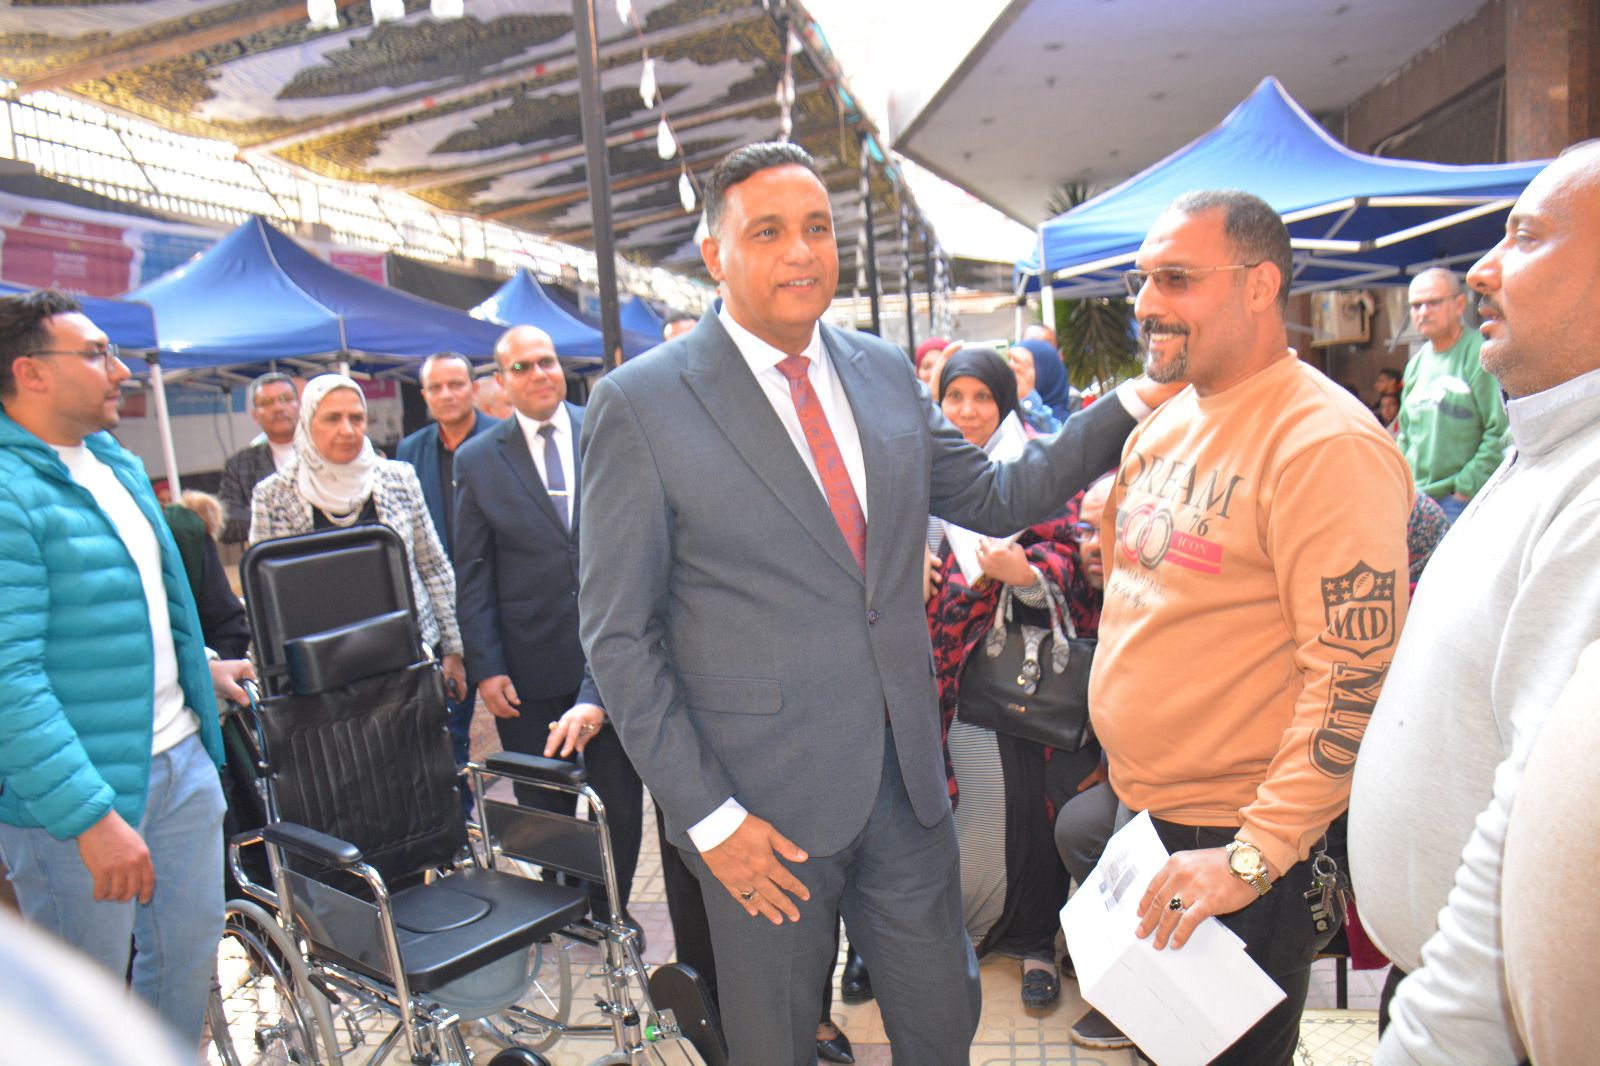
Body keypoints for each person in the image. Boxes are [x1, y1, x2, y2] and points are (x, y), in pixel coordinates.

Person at [577, 141, 1169, 1065]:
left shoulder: (883, 371)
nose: (801, 251)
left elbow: (998, 497)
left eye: (817, 228)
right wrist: (711, 820)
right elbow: (620, 638)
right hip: (761, 812)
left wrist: (1135, 400)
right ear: (715, 254)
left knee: (941, 1027)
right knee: (775, 1044)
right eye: (768, 232)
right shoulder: (642, 405)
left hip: (907, 788)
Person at [1082, 189, 1412, 1063]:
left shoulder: (1324, 444)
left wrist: (1253, 856)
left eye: (1177, 279)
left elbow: (1353, 676)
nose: (1147, 302)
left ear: (1260, 285)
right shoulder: (1165, 422)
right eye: (1143, 280)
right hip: (1148, 821)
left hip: (1238, 847)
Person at [1348, 140, 1600, 1066]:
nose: (1483, 272)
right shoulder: (1552, 442)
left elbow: (1536, 828)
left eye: (1526, 238)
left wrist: (1426, 1045)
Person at [0, 289, 254, 1046]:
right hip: (80, 798)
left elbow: (138, 607)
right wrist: (88, 817)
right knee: (85, 1008)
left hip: (180, 763)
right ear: (30, 372)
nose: (120, 370)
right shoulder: (10, 493)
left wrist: (195, 670)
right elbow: (10, 677)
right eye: (96, 354)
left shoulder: (113, 462)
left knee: (184, 967)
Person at [925, 346, 1102, 1010]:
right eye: (955, 397)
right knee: (953, 810)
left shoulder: (1035, 471)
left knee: (1028, 809)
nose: (968, 411)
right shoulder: (912, 471)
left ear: (1005, 404)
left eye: (983, 398)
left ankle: (1033, 942)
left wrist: (1024, 575)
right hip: (931, 682)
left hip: (1015, 685)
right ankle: (958, 933)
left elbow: (1075, 561)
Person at [453, 325, 644, 918]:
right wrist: (487, 668)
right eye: (523, 367)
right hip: (527, 672)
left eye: (547, 361)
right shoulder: (478, 460)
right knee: (545, 806)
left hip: (611, 659)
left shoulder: (607, 429)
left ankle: (611, 913)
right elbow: (473, 573)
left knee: (620, 803)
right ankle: (567, 908)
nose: (539, 374)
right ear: (499, 383)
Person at [249, 373, 465, 701]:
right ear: (307, 422)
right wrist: (271, 680)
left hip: (407, 659)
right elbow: (264, 599)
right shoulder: (273, 495)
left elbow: (432, 566)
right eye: (332, 419)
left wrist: (453, 650)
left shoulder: (399, 478)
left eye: (356, 418)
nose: (347, 430)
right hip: (321, 674)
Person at [397, 353, 500, 795]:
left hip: (497, 608)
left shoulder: (501, 439)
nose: (447, 394)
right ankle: (458, 823)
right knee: (447, 733)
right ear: (424, 396)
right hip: (441, 616)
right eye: (436, 387)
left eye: (456, 384)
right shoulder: (410, 452)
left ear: (473, 389)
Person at [1394, 267, 1509, 523]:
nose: (1424, 312)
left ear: (1459, 304)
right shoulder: (1415, 365)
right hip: (1417, 500)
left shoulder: (1480, 353)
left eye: (1433, 302)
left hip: (1460, 502)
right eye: (1416, 305)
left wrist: (1465, 489)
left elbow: (1500, 429)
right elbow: (1406, 435)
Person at [218, 372, 298, 546]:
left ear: (299, 405)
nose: (278, 407)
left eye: (285, 399)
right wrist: (284, 517)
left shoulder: (325, 451)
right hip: (273, 557)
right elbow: (226, 522)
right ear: (255, 415)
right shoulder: (240, 464)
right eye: (267, 402)